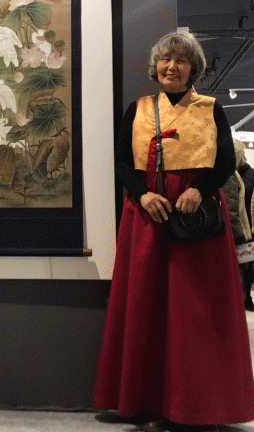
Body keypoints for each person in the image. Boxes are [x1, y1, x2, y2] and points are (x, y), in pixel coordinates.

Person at [92, 30, 254, 430]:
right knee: (148, 309)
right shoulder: (138, 109)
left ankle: (201, 408)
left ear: (192, 68)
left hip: (196, 221)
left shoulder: (211, 108)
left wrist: (200, 190)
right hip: (149, 217)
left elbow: (224, 162)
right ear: (156, 66)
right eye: (166, 59)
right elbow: (121, 162)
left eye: (181, 60)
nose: (172, 66)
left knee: (197, 314)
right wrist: (143, 195)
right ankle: (150, 404)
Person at [223, 139, 253, 308]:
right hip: (234, 235)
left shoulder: (230, 173)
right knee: (237, 278)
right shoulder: (229, 175)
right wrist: (239, 236)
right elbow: (231, 208)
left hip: (235, 233)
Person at [235, 139, 254, 310]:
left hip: (248, 227)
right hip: (237, 225)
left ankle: (247, 298)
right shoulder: (230, 174)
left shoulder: (250, 175)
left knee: (247, 265)